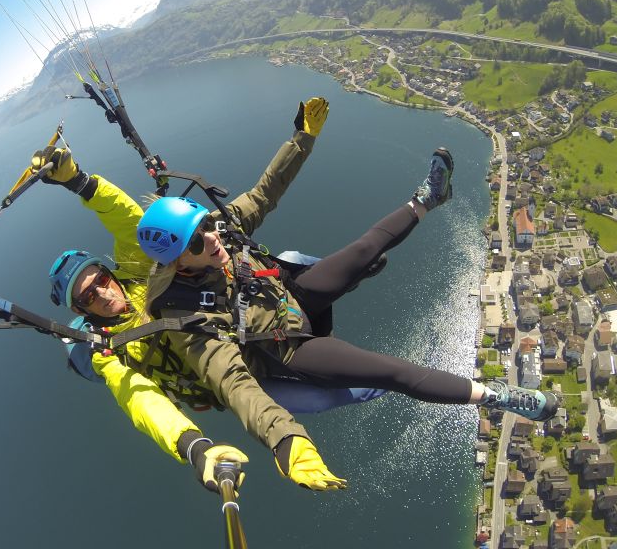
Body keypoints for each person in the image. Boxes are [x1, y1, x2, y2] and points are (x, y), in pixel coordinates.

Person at [135, 110, 560, 486]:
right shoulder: (183, 316)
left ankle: (430, 197)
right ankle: (500, 397)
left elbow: (265, 193)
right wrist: (286, 440)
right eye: (197, 242)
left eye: (207, 226)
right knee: (395, 373)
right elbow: (234, 383)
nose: (212, 238)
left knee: (365, 249)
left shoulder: (216, 233)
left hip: (286, 298)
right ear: (176, 264)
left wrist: (302, 139)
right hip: (286, 349)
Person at [36, 97, 360, 492]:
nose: (102, 293)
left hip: (249, 317)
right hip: (231, 372)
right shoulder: (110, 352)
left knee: (292, 261)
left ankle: (333, 299)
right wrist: (193, 447)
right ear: (82, 311)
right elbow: (141, 401)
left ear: (109, 271)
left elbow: (128, 219)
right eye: (88, 297)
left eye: (100, 279)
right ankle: (378, 375)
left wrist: (80, 182)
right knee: (322, 397)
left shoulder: (140, 273)